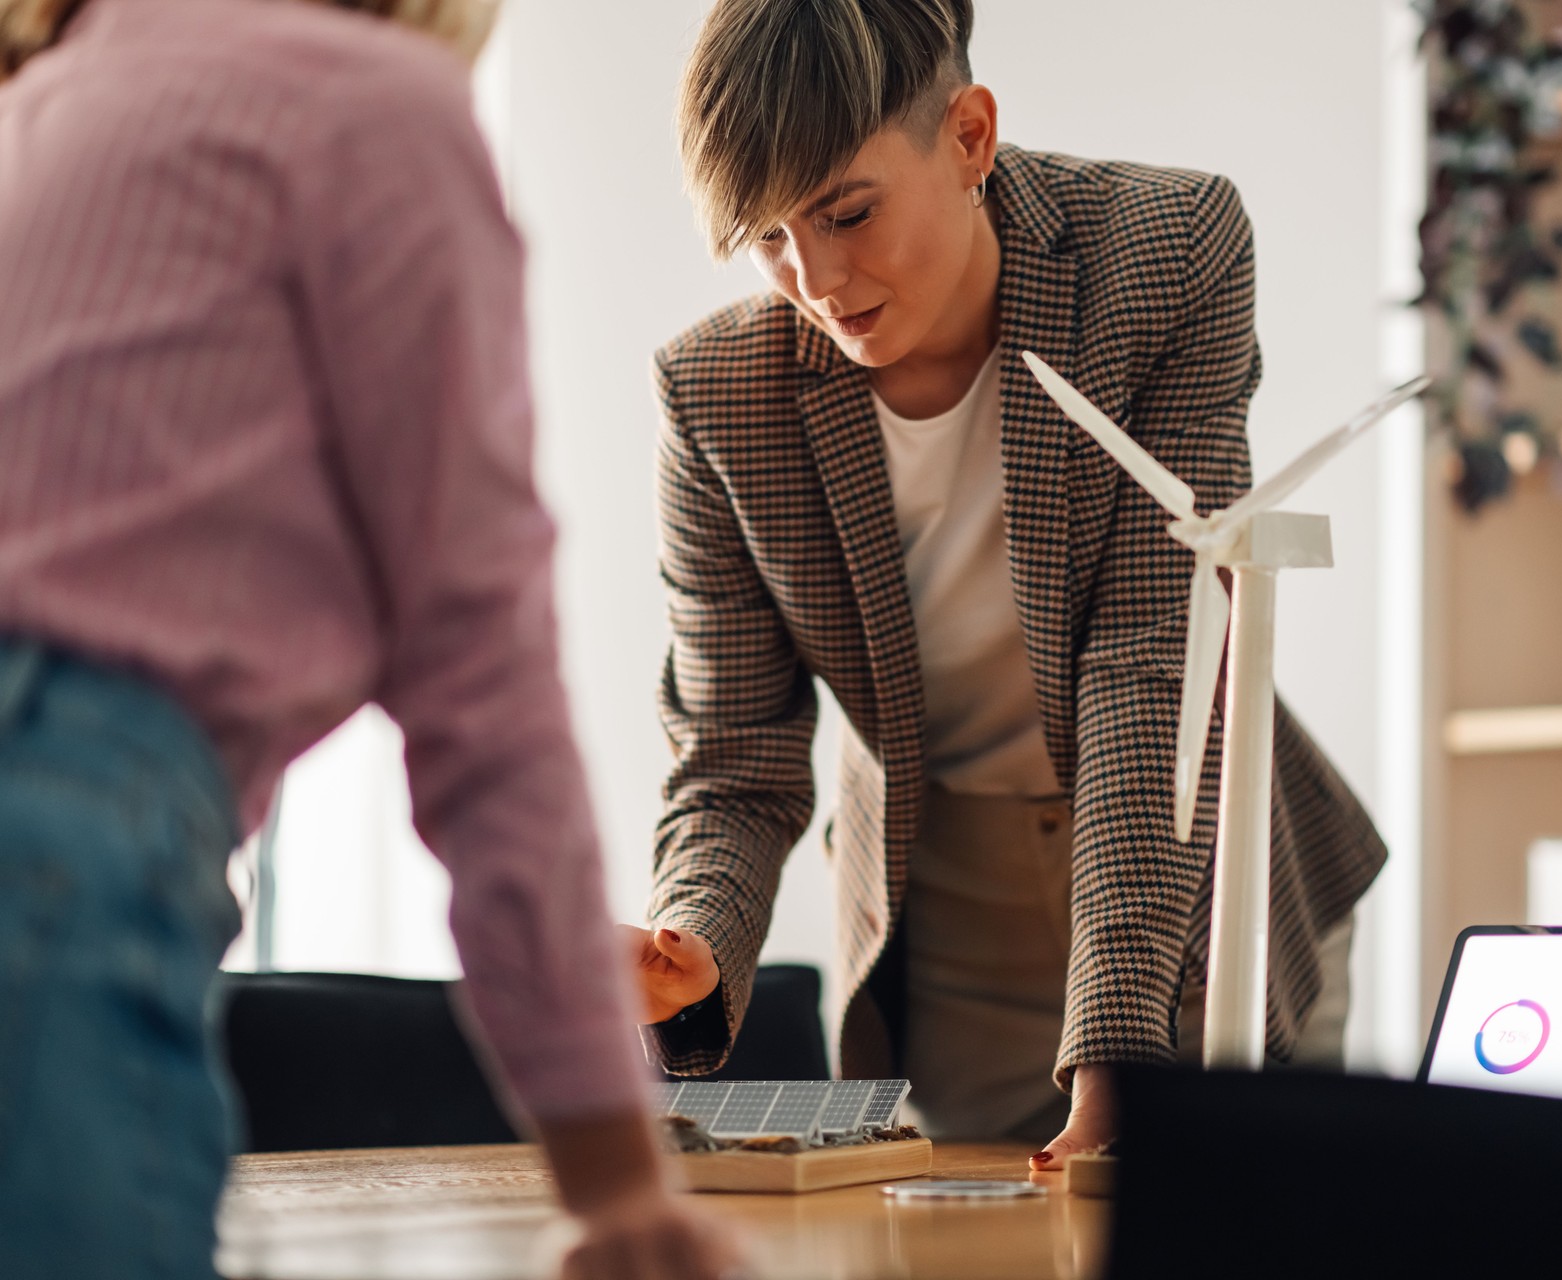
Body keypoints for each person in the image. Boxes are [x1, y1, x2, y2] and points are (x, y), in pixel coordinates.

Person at [0, 2, 734, 1277]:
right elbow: (485, 690)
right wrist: (618, 1183)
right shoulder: (377, 111)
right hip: (58, 862)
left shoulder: (54, 99)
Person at [632, 0, 1388, 1168]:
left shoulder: (1167, 251)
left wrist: (1121, 1051)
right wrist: (692, 939)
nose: (818, 278)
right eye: (769, 238)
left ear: (971, 137)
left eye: (848, 211)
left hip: (1196, 864)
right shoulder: (716, 393)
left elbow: (1151, 656)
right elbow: (734, 753)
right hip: (948, 900)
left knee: (1245, 1218)